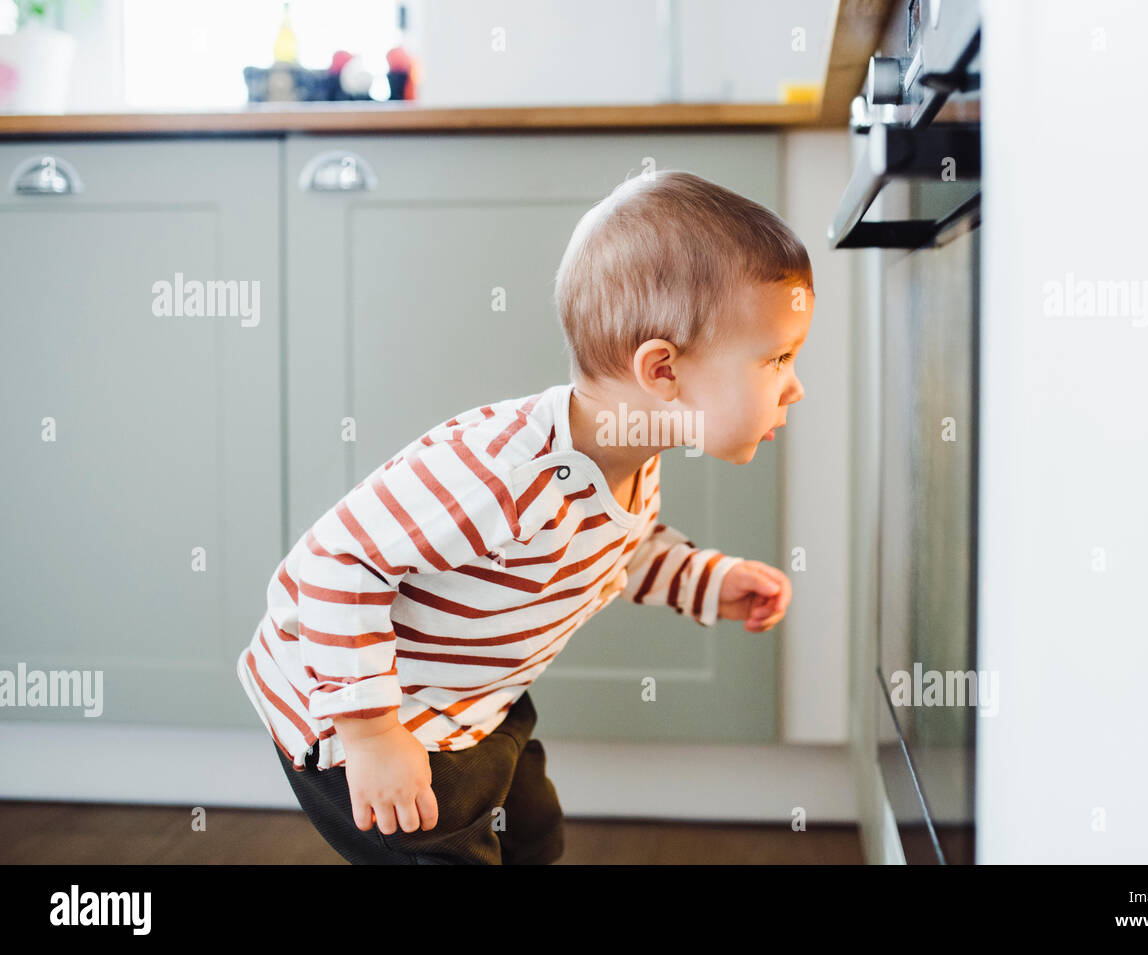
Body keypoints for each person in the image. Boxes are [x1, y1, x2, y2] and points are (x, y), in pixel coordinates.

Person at [234, 169, 811, 864]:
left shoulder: (631, 449)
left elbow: (617, 548)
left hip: (477, 706)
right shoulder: (505, 472)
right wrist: (372, 735)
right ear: (663, 373)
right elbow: (337, 558)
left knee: (534, 836)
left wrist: (707, 581)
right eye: (776, 358)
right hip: (358, 715)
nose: (795, 386)